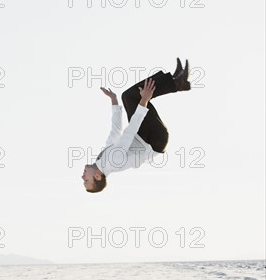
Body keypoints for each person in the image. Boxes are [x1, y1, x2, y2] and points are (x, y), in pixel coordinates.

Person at [82, 58, 192, 193]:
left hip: (144, 136)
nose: (82, 176)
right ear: (97, 176)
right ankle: (176, 83)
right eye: (86, 180)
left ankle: (175, 82)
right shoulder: (112, 162)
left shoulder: (103, 160)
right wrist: (144, 100)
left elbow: (115, 132)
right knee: (133, 96)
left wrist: (114, 101)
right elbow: (129, 133)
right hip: (154, 140)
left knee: (128, 96)